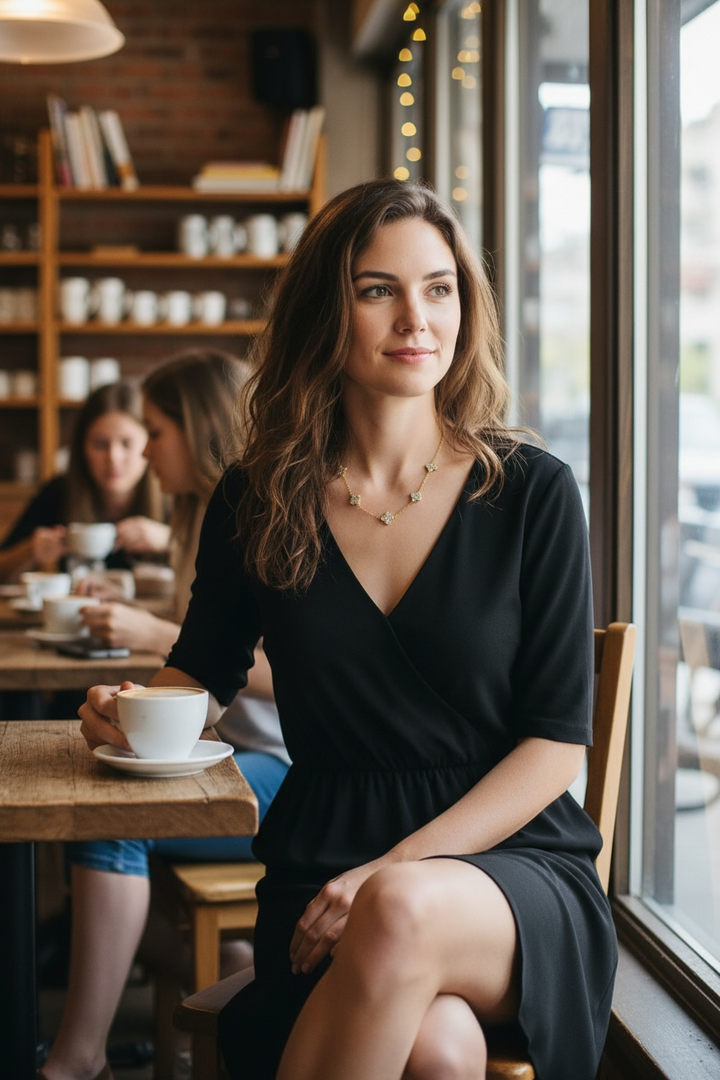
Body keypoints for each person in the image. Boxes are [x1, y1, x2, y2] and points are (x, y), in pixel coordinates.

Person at [77, 180, 615, 1080]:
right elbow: (199, 673)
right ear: (328, 310)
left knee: (399, 910)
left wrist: (389, 871)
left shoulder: (533, 492)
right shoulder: (258, 495)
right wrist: (128, 712)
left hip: (511, 865)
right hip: (320, 860)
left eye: (439, 288)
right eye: (379, 290)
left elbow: (556, 750)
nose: (417, 318)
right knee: (440, 1052)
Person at [39, 350, 289, 1080]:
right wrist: (134, 707)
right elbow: (201, 660)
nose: (144, 452)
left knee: (110, 825)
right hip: (224, 754)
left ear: (202, 429)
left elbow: (292, 671)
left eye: (155, 432)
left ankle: (78, 1055)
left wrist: (151, 641)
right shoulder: (198, 517)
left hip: (277, 769)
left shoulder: (264, 518)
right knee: (97, 821)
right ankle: (230, 967)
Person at [0, 379, 168, 583]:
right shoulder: (58, 493)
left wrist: (168, 540)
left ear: (148, 445)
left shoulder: (171, 493)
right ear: (82, 448)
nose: (113, 458)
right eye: (100, 444)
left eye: (126, 443)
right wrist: (29, 551)